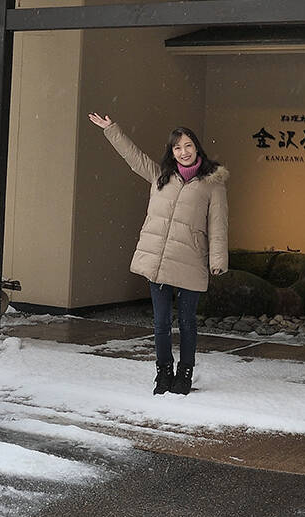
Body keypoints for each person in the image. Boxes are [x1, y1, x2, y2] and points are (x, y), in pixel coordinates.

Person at [87, 112, 228, 395]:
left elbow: (218, 225)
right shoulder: (160, 176)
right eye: (177, 147)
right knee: (161, 323)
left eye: (188, 145)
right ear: (172, 152)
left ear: (197, 148)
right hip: (158, 261)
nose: (183, 152)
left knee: (187, 323)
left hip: (190, 261)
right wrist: (111, 129)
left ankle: (184, 373)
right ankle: (163, 372)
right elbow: (133, 156)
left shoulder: (213, 184)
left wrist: (218, 261)